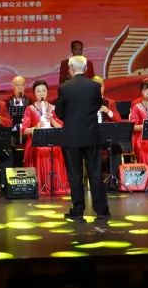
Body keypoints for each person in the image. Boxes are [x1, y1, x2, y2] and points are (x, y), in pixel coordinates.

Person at [54, 55, 110, 222]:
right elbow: (97, 106)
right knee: (95, 173)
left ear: (70, 69)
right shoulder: (95, 86)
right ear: (85, 69)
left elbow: (59, 112)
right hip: (91, 135)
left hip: (71, 137)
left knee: (75, 175)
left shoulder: (64, 87)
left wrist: (71, 119)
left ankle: (78, 211)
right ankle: (101, 211)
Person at [22, 80, 69, 195]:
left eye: (43, 91)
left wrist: (51, 119)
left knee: (56, 149)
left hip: (51, 139)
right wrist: (36, 127)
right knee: (40, 149)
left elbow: (61, 127)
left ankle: (56, 185)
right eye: (38, 91)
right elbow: (24, 130)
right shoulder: (30, 109)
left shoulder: (53, 108)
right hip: (36, 141)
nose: (41, 93)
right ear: (34, 93)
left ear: (47, 92)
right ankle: (41, 185)